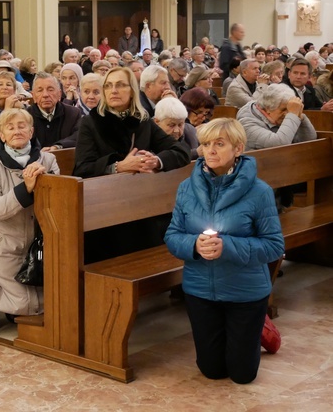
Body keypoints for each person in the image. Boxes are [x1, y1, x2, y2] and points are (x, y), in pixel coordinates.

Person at [164, 118, 284, 384]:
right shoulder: (186, 188)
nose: (211, 150)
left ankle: (259, 328)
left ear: (238, 149)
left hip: (245, 292)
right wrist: (194, 245)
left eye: (220, 144)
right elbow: (172, 236)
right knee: (213, 370)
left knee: (242, 375)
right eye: (206, 144)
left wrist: (227, 246)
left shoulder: (259, 192)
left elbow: (274, 245)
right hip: (200, 290)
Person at [0, 109, 60, 319]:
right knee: (27, 307)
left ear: (31, 131)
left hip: (39, 247)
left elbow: (60, 203)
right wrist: (26, 188)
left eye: (22, 126)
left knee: (50, 303)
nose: (17, 131)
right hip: (4, 244)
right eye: (10, 127)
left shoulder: (48, 160)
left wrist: (45, 183)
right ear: (2, 135)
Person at [73, 66, 191, 179]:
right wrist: (118, 167)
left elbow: (181, 151)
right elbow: (83, 169)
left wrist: (155, 161)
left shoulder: (142, 120)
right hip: (103, 192)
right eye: (108, 86)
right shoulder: (91, 121)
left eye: (120, 85)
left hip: (137, 189)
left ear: (132, 91)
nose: (113, 91)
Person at [237, 83, 316, 151]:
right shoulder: (246, 124)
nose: (287, 114)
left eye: (290, 108)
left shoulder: (287, 116)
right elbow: (279, 144)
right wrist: (292, 114)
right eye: (284, 109)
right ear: (268, 109)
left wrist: (301, 117)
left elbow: (310, 140)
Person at [27, 72, 81, 150]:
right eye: (40, 90)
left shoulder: (73, 113)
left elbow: (78, 136)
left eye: (50, 90)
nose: (45, 95)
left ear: (59, 94)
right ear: (33, 96)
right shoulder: (25, 116)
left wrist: (58, 146)